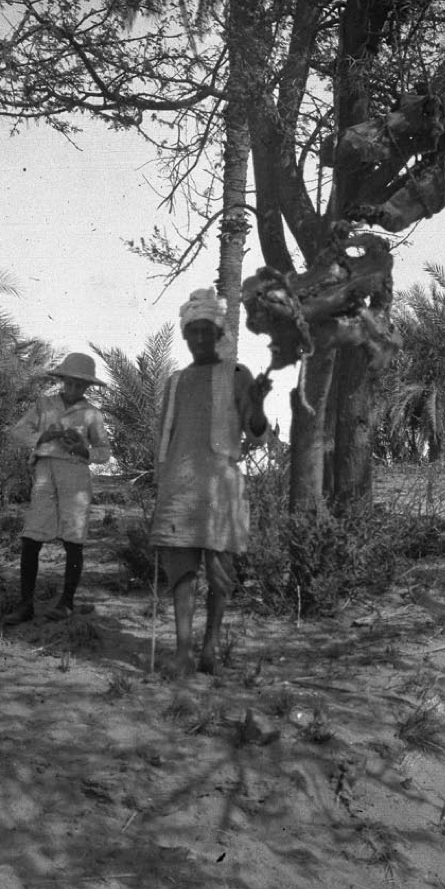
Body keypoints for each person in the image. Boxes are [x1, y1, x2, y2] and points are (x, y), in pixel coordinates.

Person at [150, 287, 270, 675]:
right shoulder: (175, 381)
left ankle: (210, 649)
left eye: (207, 331)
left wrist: (259, 403)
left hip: (220, 490)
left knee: (220, 575)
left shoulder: (237, 376)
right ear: (185, 335)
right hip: (179, 489)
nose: (199, 339)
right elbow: (163, 439)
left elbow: (256, 432)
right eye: (192, 332)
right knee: (181, 572)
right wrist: (161, 478)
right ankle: (184, 650)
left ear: (219, 334)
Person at [5, 353, 113, 624]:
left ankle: (66, 602)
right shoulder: (44, 404)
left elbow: (104, 452)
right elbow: (17, 432)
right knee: (31, 537)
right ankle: (25, 604)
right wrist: (43, 436)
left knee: (73, 539)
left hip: (75, 476)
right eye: (71, 382)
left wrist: (82, 448)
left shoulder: (92, 413)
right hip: (45, 473)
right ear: (63, 380)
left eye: (81, 385)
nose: (75, 388)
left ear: (88, 386)